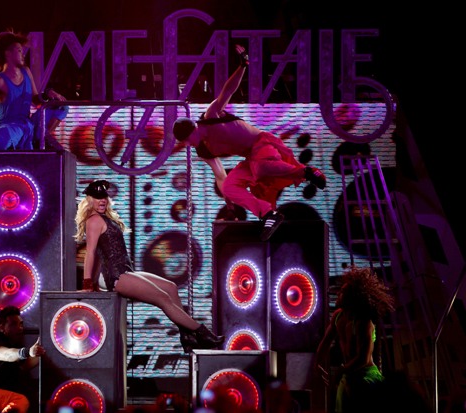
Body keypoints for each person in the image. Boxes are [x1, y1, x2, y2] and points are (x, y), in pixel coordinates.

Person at [173, 44, 327, 241]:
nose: (187, 145)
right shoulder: (203, 149)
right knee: (230, 186)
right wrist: (229, 200)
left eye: (187, 140)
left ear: (193, 130)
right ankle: (268, 214)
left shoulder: (210, 116)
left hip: (262, 144)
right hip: (250, 158)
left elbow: (227, 92)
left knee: (260, 168)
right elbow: (220, 175)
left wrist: (243, 66)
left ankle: (306, 172)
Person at [74, 179, 224, 353]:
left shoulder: (105, 218)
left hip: (124, 270)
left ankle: (186, 336)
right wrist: (88, 284)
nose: (102, 201)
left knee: (171, 287)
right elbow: (91, 253)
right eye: (97, 197)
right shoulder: (93, 221)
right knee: (162, 298)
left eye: (104, 197)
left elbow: (100, 252)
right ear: (89, 200)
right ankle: (201, 332)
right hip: (114, 276)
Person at [314, 266, 395, 413]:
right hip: (349, 376)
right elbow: (325, 343)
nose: (338, 294)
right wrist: (318, 363)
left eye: (343, 292)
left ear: (353, 296)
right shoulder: (338, 316)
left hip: (366, 377)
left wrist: (340, 371)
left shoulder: (364, 322)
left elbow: (363, 359)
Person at [0, 30, 68, 151]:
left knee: (62, 106)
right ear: (7, 53)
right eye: (19, 50)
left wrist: (48, 93)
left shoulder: (26, 71)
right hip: (10, 127)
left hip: (28, 124)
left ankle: (40, 138)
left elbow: (35, 100)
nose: (23, 54)